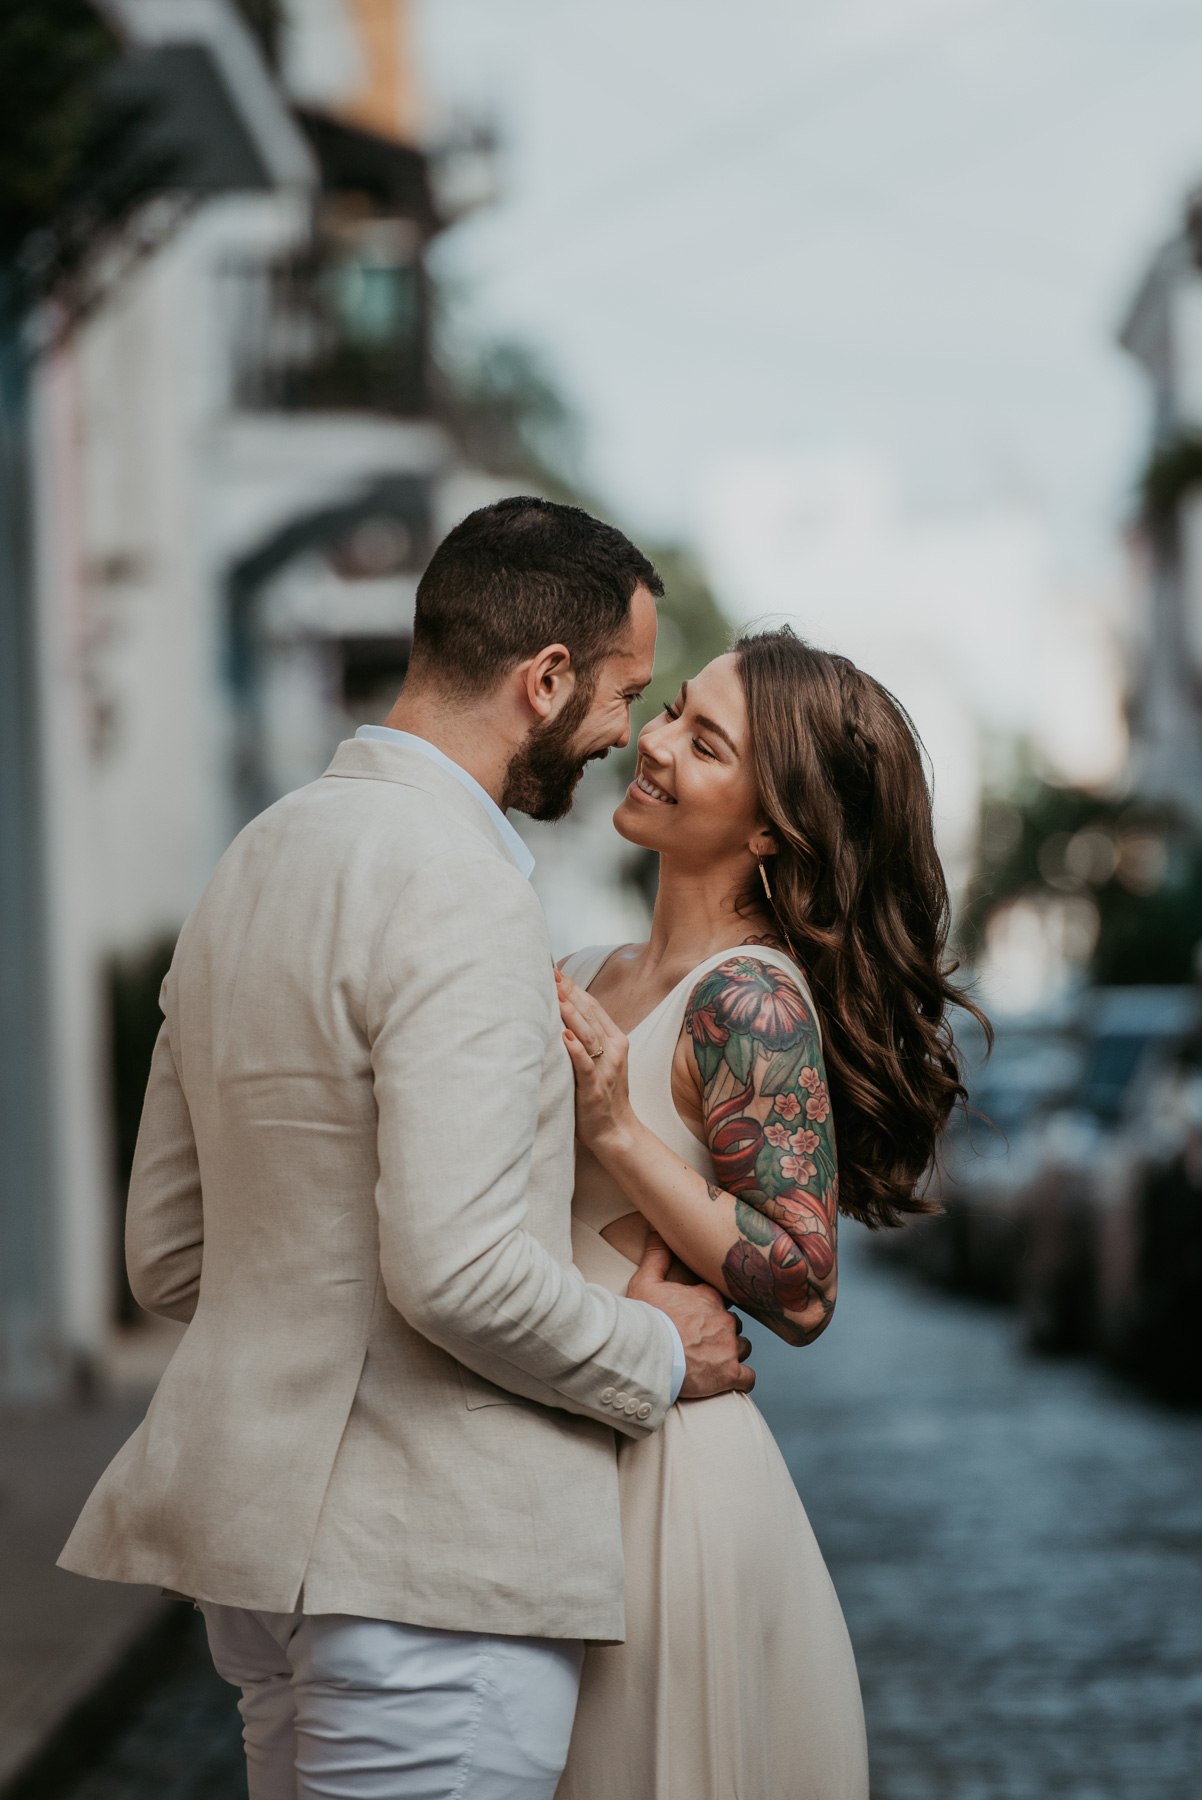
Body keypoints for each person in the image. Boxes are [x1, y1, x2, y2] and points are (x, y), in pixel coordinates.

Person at [58, 497, 752, 1800]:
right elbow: (456, 1273)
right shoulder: (461, 884)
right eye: (621, 695)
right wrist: (665, 1350)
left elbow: (166, 1256)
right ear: (543, 682)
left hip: (263, 1570)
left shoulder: (251, 862)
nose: (625, 734)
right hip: (437, 1574)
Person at [551, 627, 987, 1799]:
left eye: (701, 740)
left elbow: (802, 1284)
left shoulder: (748, 998)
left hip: (667, 1497)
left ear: (766, 828)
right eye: (672, 711)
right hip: (563, 1463)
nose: (650, 742)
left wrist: (614, 1136)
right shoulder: (589, 970)